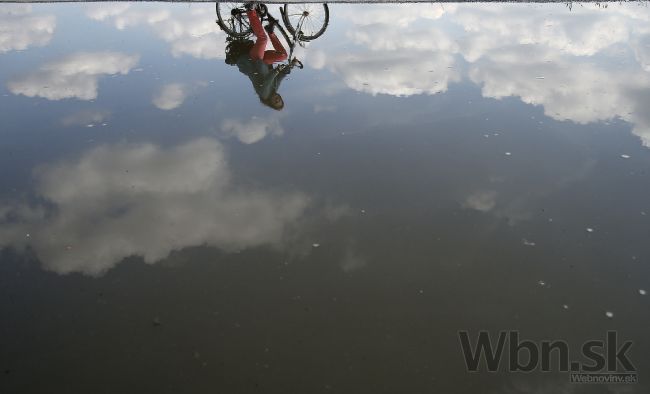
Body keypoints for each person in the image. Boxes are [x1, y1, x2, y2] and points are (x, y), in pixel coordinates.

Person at [228, 3, 289, 110]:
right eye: (280, 99)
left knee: (262, 39)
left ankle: (250, 10)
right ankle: (270, 31)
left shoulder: (264, 94)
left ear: (270, 102)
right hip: (261, 61)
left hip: (252, 61)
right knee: (283, 56)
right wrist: (290, 67)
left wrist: (277, 70)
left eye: (275, 102)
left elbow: (268, 81)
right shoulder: (274, 89)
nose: (277, 99)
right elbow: (280, 77)